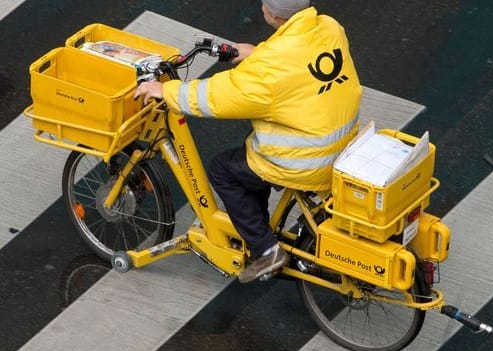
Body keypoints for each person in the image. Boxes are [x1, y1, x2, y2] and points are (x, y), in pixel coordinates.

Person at [134, 0, 362, 283]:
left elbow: (218, 97)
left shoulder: (269, 68)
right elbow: (294, 61)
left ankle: (266, 250)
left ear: (274, 14)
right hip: (345, 144)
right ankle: (257, 225)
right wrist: (255, 53)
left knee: (223, 169)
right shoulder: (329, 27)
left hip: (306, 159)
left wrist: (165, 90)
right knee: (249, 158)